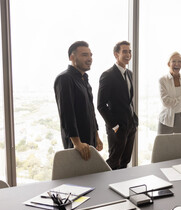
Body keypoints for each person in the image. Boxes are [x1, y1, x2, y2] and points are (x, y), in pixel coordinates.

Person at [54, 41, 103, 160]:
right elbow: (67, 114)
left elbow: (91, 111)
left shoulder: (84, 79)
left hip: (89, 139)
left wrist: (96, 136)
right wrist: (77, 143)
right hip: (76, 144)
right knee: (79, 177)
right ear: (72, 57)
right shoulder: (64, 78)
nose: (90, 58)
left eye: (91, 55)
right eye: (84, 55)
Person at [97, 41, 138, 170]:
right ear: (116, 54)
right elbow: (101, 105)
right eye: (124, 51)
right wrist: (114, 126)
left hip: (130, 125)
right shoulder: (108, 75)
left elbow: (128, 101)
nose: (128, 54)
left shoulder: (130, 74)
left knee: (125, 161)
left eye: (129, 51)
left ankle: (123, 187)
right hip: (117, 127)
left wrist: (134, 121)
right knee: (114, 162)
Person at [158, 52, 181, 137]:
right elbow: (166, 102)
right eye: (174, 61)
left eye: (179, 61)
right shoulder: (163, 80)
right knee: (163, 148)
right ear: (168, 63)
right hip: (166, 119)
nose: (177, 64)